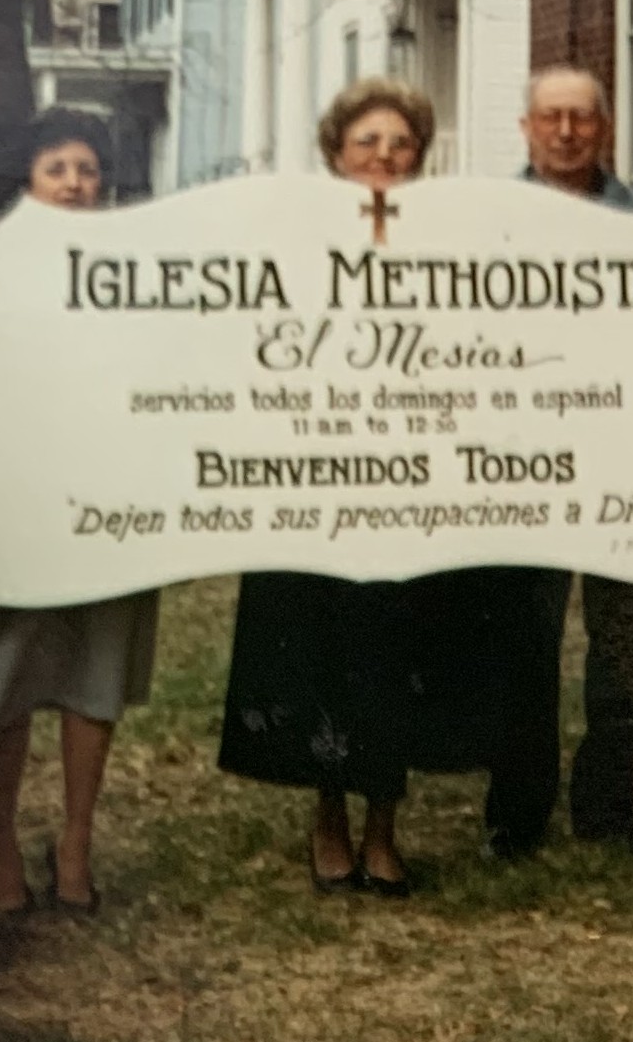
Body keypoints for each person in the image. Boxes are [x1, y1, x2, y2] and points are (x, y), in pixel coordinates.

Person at [221, 80, 450, 894]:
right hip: (312, 474)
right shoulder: (291, 239)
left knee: (398, 645)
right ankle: (328, 817)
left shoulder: (450, 244)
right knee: (322, 640)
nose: (384, 156)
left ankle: (384, 825)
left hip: (413, 476)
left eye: (400, 143)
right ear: (335, 153)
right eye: (367, 142)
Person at [0, 107, 159, 913]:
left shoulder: (140, 266)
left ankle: (76, 842)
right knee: (3, 678)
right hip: (11, 503)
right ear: (28, 178)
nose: (75, 184)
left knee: (94, 672)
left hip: (107, 500)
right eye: (57, 169)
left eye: (87, 170)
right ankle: (3, 843)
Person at [506, 65, 633, 855]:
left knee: (625, 644)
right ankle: (517, 809)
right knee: (522, 638)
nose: (566, 132)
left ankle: (607, 803)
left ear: (604, 127)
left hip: (625, 458)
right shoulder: (485, 222)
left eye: (581, 117)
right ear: (526, 127)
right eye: (551, 117)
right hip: (522, 460)